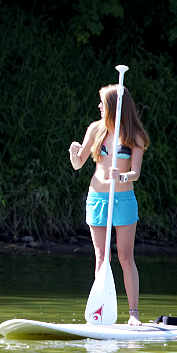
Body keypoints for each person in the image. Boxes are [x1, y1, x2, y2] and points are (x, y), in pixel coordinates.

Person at [69, 84, 150, 325]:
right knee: (102, 257)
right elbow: (78, 163)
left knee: (125, 257)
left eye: (102, 103)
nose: (99, 107)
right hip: (97, 198)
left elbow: (135, 172)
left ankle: (133, 314)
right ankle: (101, 311)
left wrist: (122, 177)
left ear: (115, 106)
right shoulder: (95, 129)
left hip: (123, 199)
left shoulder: (134, 135)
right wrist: (74, 153)